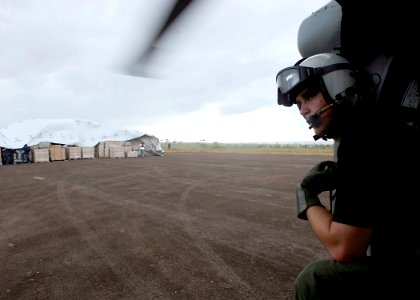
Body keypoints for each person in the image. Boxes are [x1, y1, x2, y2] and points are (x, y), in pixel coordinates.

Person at [275, 52, 420, 299]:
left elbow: (344, 247)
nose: (303, 110)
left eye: (309, 96)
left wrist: (306, 196)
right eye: (299, 103)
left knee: (316, 281)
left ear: (338, 87)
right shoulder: (378, 128)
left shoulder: (363, 139)